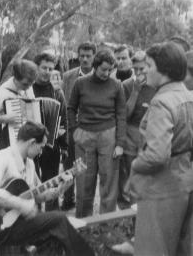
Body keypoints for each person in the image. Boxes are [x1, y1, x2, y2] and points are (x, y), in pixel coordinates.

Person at [0, 121, 95, 256]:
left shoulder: (30, 164)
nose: (41, 151)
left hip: (19, 223)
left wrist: (61, 189)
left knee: (57, 233)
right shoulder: (3, 157)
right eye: (41, 146)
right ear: (32, 142)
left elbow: (38, 194)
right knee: (60, 219)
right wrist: (20, 204)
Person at [129, 42, 193, 256]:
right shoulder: (188, 96)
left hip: (161, 189)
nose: (144, 70)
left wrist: (135, 164)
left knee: (153, 250)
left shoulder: (161, 102)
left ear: (164, 70)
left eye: (148, 65)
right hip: (185, 183)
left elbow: (156, 155)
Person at [68, 49, 126, 218]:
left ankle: (106, 223)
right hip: (84, 135)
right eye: (103, 70)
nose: (107, 73)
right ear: (95, 66)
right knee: (84, 179)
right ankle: (83, 222)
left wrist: (120, 143)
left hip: (108, 135)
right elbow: (71, 108)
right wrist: (74, 131)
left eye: (110, 70)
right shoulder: (80, 83)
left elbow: (121, 115)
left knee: (108, 181)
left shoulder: (117, 85)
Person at [117, 51, 156, 209]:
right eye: (135, 69)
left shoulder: (156, 83)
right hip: (131, 134)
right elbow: (125, 115)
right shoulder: (127, 85)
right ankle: (130, 210)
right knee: (131, 175)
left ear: (149, 66)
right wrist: (135, 91)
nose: (138, 73)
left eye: (142, 69)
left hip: (150, 134)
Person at [62, 41, 96, 211]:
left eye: (88, 56)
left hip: (91, 130)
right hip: (71, 128)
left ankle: (85, 202)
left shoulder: (101, 75)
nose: (84, 59)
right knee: (68, 165)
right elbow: (64, 102)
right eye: (81, 56)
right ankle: (68, 199)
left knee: (87, 167)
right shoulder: (68, 76)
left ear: (94, 57)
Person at [33, 52, 67, 211]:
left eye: (50, 68)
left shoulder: (57, 92)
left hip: (51, 146)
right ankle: (35, 218)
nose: (47, 71)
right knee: (32, 185)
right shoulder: (27, 90)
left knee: (51, 182)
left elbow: (64, 119)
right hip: (30, 145)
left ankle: (51, 218)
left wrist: (64, 144)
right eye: (44, 68)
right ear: (36, 67)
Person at [0, 59, 38, 149]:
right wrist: (3, 119)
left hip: (28, 140)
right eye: (25, 84)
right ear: (15, 77)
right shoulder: (2, 94)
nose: (28, 87)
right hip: (9, 142)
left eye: (31, 84)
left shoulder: (28, 87)